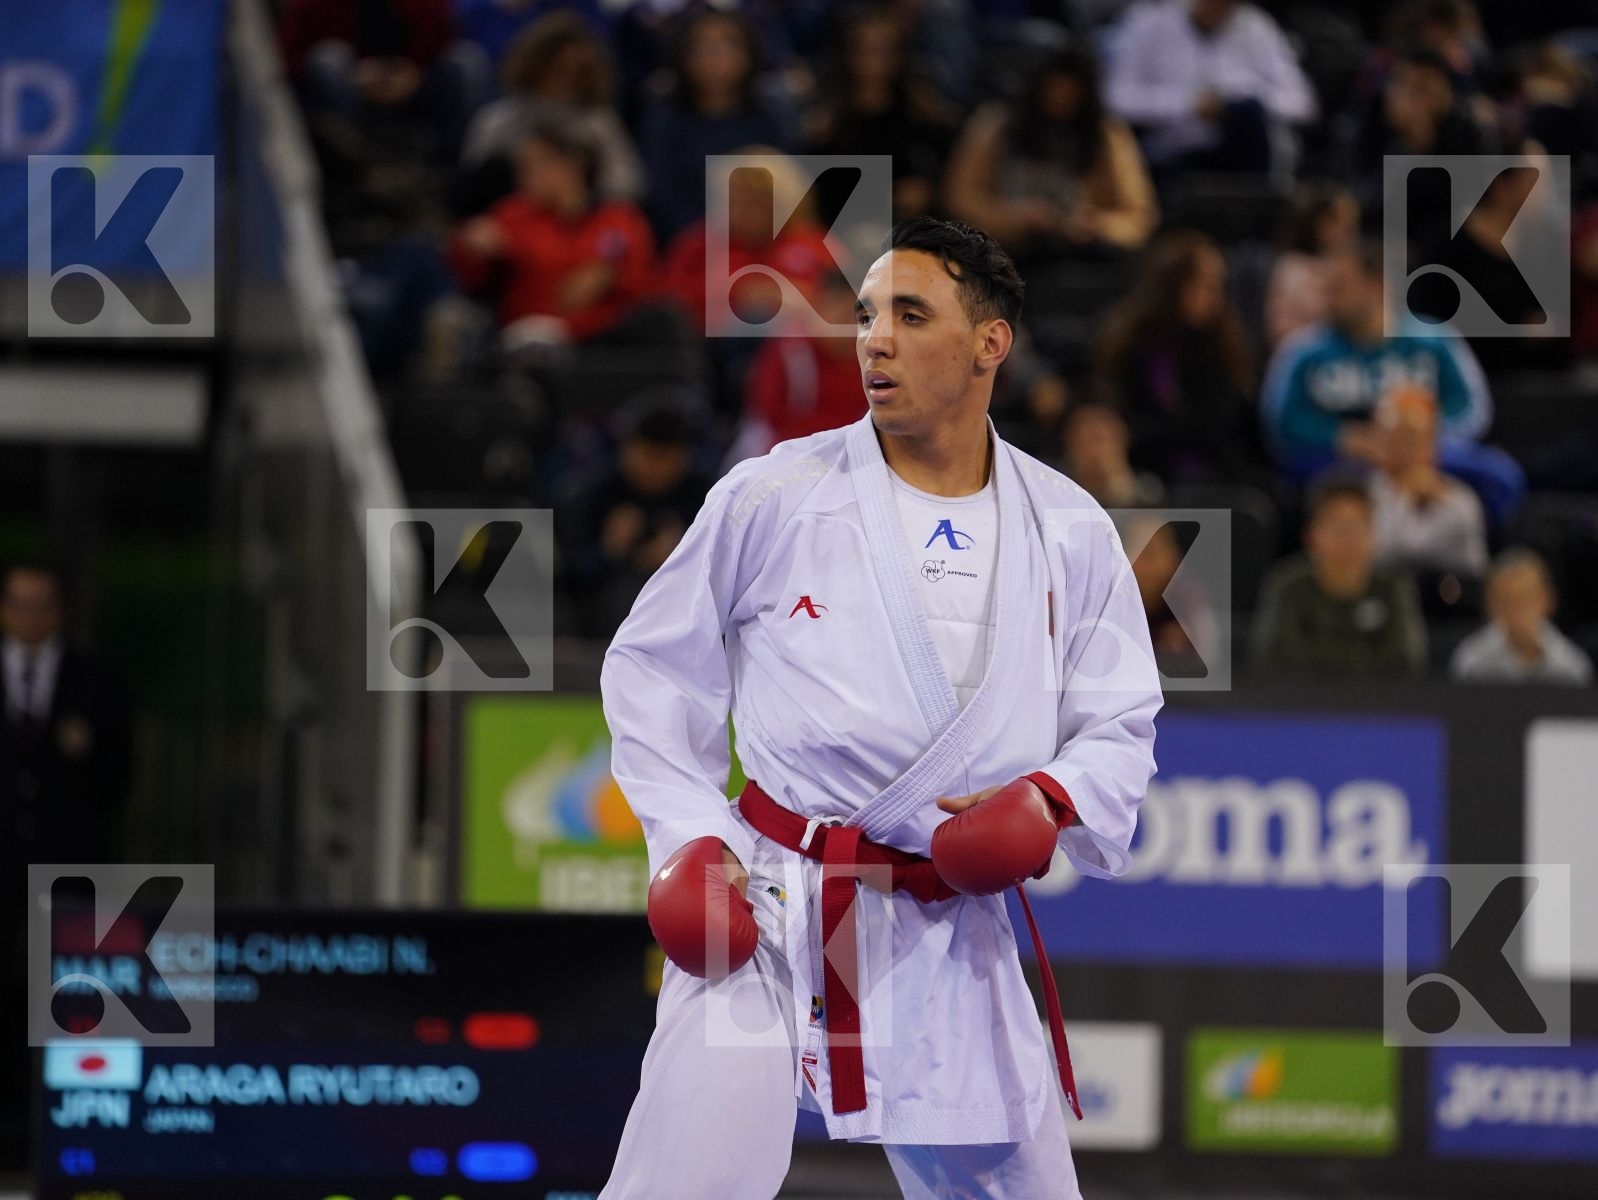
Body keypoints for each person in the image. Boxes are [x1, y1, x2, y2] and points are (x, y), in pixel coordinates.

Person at [597, 217, 1161, 1198]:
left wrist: (1049, 801)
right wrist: (685, 837)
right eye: (864, 316)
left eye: (908, 314)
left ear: (990, 342)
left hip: (945, 920)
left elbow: (1119, 720)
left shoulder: (1066, 526)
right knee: (682, 1178)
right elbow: (653, 669)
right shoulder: (773, 495)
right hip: (769, 900)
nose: (874, 340)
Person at [0, 563, 132, 1172]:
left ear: (60, 611)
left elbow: (115, 780)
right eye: (19, 604)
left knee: (65, 1005)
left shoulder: (96, 683)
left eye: (41, 605)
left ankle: (56, 1142)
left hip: (68, 878)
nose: (30, 617)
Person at [1259, 242, 1514, 514]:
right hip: (1342, 461)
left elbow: (1470, 409)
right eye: (1328, 289)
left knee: (1500, 476)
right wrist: (1344, 437)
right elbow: (1282, 421)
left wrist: (1413, 441)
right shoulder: (1304, 350)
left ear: (1377, 283)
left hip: (1427, 457)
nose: (1329, 299)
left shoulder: (1435, 341)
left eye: (1341, 287)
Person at [945, 43, 1157, 263]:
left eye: (1072, 91)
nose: (1061, 98)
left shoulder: (1107, 135)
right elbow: (960, 200)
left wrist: (1095, 224)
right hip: (1001, 252)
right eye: (1054, 88)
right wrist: (1013, 218)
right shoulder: (995, 125)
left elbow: (1139, 217)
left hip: (1081, 256)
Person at [448, 125, 656, 344]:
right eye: (521, 167)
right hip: (537, 337)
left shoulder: (619, 218)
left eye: (535, 164)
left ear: (573, 165)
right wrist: (471, 251)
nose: (523, 176)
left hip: (608, 338)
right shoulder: (510, 216)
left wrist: (612, 275)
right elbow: (471, 279)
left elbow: (644, 281)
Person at [1095, 230, 1260, 482]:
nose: (1215, 296)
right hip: (1144, 472)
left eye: (1219, 285)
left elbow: (1220, 427)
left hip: (1213, 478)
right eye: (1204, 285)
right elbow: (1127, 421)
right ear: (1173, 284)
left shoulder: (1224, 349)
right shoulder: (1132, 344)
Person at [454, 10, 645, 217]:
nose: (563, 79)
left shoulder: (597, 122)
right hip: (511, 224)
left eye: (575, 71)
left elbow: (629, 184)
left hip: (578, 224)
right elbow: (470, 188)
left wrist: (580, 187)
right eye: (556, 68)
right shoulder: (499, 120)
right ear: (535, 64)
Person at [1104, 0, 1317, 180]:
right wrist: (1187, 104)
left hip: (1245, 150)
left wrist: (1236, 100)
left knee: (1248, 114)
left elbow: (1302, 103)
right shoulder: (1149, 21)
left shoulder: (1256, 26)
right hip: (1172, 153)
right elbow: (1115, 99)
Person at [1250, 476, 1427, 678]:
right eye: (1338, 527)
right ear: (1312, 535)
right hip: (1299, 704)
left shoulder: (1393, 587)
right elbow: (1272, 656)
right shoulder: (1288, 585)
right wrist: (1359, 656)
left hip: (1378, 705)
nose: (1347, 539)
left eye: (1358, 526)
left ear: (1374, 536)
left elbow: (1406, 659)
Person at [637, 8, 790, 242]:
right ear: (683, 56)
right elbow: (664, 198)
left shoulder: (770, 116)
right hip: (691, 246)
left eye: (728, 46)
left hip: (766, 242)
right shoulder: (664, 121)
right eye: (703, 48)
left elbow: (791, 189)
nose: (716, 58)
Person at [805, 4, 958, 224]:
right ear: (847, 53)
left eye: (886, 49)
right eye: (865, 49)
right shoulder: (826, 121)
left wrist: (928, 188)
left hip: (909, 226)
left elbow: (949, 169)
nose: (875, 60)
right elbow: (819, 193)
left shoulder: (922, 109)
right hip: (843, 228)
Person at [725, 270, 869, 466]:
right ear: (817, 310)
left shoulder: (873, 358)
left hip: (847, 461)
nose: (845, 325)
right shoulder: (790, 355)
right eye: (838, 313)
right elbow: (767, 424)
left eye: (856, 317)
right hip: (784, 461)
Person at [1368, 385, 1488, 582]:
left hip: (1452, 605)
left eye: (1414, 437)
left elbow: (1473, 565)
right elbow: (1389, 550)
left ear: (1432, 441)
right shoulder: (1364, 494)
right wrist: (1402, 497)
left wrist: (1439, 498)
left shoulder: (1460, 500)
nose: (1405, 448)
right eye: (1396, 437)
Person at [1450, 549, 1595, 685]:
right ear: (1489, 604)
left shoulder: (1571, 665)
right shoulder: (1471, 661)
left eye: (1525, 598)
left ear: (1548, 599)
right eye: (1506, 600)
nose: (1517, 610)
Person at [1264, 181, 1359, 348]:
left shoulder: (1353, 268)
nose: (1349, 230)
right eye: (1341, 222)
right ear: (1321, 224)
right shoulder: (1292, 269)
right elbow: (1280, 330)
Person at [1059, 402, 1166, 509]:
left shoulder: (1146, 488)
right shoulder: (1057, 487)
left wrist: (1117, 481)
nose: (1094, 451)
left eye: (1100, 439)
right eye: (1087, 440)